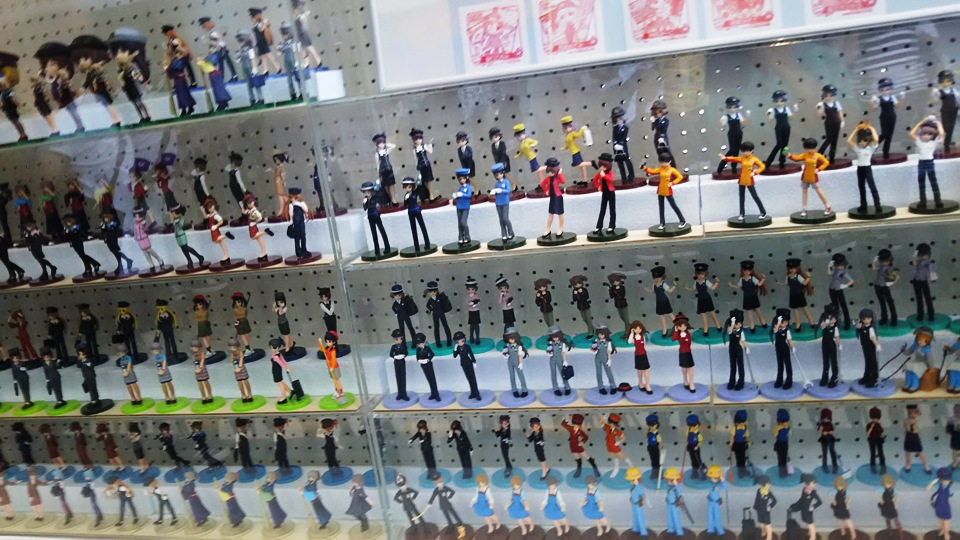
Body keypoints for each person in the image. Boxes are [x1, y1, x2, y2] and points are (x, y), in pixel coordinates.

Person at [719, 141, 767, 220]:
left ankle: (763, 212)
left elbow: (762, 166)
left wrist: (755, 172)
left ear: (751, 150)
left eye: (748, 151)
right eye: (744, 151)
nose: (746, 153)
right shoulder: (743, 158)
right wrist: (725, 158)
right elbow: (734, 159)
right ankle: (742, 213)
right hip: (742, 180)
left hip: (749, 180)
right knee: (741, 197)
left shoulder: (754, 159)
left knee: (755, 196)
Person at [787, 138, 832, 217]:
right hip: (805, 176)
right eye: (808, 148)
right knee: (804, 192)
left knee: (819, 191)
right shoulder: (805, 155)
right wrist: (789, 155)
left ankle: (828, 206)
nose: (810, 150)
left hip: (813, 176)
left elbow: (826, 162)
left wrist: (819, 169)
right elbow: (796, 158)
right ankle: (804, 208)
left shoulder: (817, 155)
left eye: (811, 148)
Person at [909, 116, 947, 209]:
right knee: (921, 183)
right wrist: (921, 122)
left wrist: (937, 123)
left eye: (929, 134)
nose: (926, 136)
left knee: (933, 182)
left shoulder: (933, 142)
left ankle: (938, 201)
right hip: (921, 163)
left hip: (930, 163)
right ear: (921, 134)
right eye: (924, 134)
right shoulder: (919, 142)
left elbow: (942, 133)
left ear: (933, 135)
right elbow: (911, 133)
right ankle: (922, 201)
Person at [643, 153, 687, 229]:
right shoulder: (661, 169)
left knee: (673, 205)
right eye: (662, 162)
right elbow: (652, 171)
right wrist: (645, 168)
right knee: (661, 207)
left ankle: (682, 220)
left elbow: (680, 177)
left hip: (667, 190)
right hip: (660, 190)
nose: (663, 164)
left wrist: (673, 183)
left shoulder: (672, 170)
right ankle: (662, 223)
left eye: (665, 162)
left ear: (669, 161)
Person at [847, 122, 883, 213]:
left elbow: (876, 139)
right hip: (860, 169)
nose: (862, 143)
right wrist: (856, 130)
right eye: (860, 141)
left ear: (868, 140)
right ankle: (863, 204)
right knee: (861, 187)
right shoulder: (857, 148)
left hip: (867, 168)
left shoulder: (871, 148)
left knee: (872, 186)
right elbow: (849, 141)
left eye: (864, 140)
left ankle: (877, 204)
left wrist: (871, 128)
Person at [753, 475, 777, 540]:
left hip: (766, 511)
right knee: (761, 523)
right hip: (759, 510)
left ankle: (769, 537)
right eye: (768, 484)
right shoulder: (759, 491)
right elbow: (756, 500)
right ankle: (763, 532)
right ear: (763, 485)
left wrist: (770, 506)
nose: (770, 485)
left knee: (768, 525)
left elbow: (775, 501)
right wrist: (754, 507)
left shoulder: (769, 493)